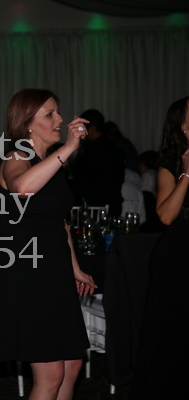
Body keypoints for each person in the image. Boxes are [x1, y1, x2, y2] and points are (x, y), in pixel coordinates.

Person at [0, 89, 96, 400]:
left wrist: (75, 268)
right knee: (51, 373)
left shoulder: (51, 164)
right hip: (27, 273)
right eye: (50, 114)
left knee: (72, 365)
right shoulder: (16, 156)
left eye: (58, 112)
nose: (59, 119)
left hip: (54, 271)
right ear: (27, 123)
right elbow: (22, 187)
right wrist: (68, 148)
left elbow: (59, 223)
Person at [130, 96, 189, 399]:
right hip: (179, 258)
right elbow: (165, 216)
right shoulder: (170, 164)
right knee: (174, 334)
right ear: (183, 126)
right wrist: (188, 173)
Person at [71, 109, 126, 215]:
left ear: (91, 128)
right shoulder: (114, 148)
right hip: (113, 204)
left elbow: (81, 181)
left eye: (83, 128)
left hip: (93, 207)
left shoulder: (90, 151)